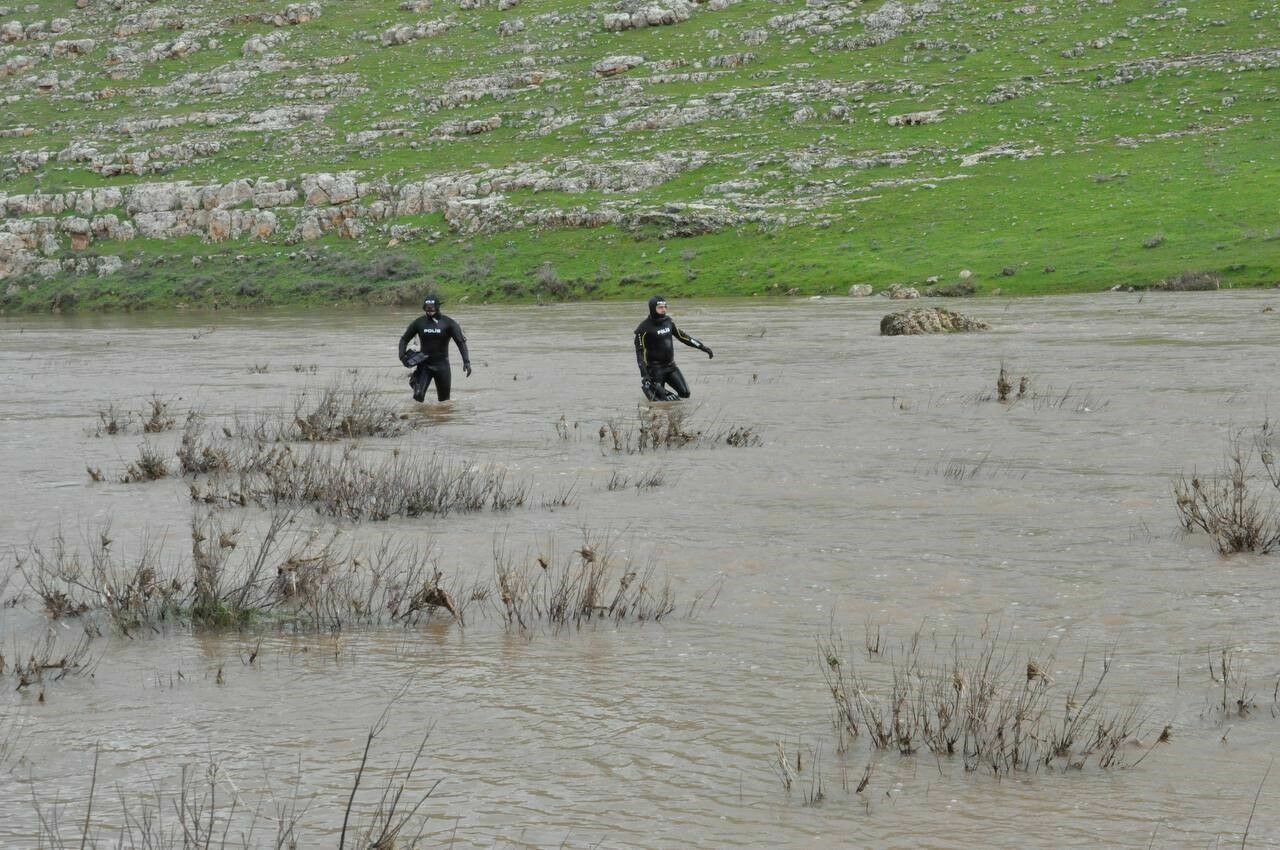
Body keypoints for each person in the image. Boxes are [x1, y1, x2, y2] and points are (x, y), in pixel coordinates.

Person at [633, 295, 713, 401]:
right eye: (660, 307)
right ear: (653, 308)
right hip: (655, 370)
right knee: (659, 402)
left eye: (665, 306)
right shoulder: (643, 328)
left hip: (671, 367)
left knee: (685, 394)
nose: (664, 309)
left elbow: (683, 337)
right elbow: (640, 353)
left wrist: (702, 347)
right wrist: (645, 374)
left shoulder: (668, 321)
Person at [398, 294, 471, 402]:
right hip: (424, 364)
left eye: (432, 309)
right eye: (427, 309)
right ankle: (414, 382)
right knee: (418, 396)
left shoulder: (449, 323)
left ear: (437, 307)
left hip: (442, 366)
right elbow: (404, 339)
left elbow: (460, 343)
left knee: (444, 402)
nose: (429, 311)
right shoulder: (419, 322)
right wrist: (402, 356)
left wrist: (466, 361)